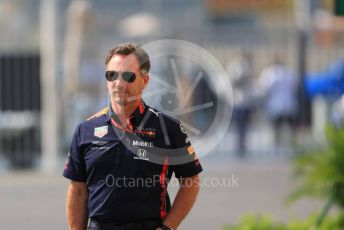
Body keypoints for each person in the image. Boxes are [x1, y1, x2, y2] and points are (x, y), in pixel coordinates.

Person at [63, 43, 203, 230]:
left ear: (144, 81)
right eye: (111, 75)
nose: (119, 83)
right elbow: (78, 191)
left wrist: (169, 227)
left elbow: (191, 181)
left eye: (128, 76)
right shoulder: (85, 130)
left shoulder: (169, 129)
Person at [259, 55, 298, 154]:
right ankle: (291, 145)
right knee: (290, 126)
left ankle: (278, 145)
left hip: (276, 104)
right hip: (287, 103)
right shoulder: (289, 72)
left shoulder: (270, 73)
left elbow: (264, 88)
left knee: (277, 127)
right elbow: (295, 86)